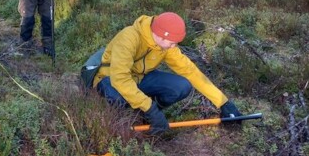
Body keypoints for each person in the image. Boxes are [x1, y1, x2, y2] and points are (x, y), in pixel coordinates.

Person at [86, 12, 243, 135]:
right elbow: (120, 79)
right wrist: (150, 108)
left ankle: (144, 113)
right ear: (160, 35)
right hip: (110, 79)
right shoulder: (128, 37)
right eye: (172, 42)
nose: (174, 46)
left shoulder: (166, 46)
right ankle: (132, 114)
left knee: (182, 86)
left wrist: (223, 102)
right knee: (117, 97)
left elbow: (189, 71)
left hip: (140, 78)